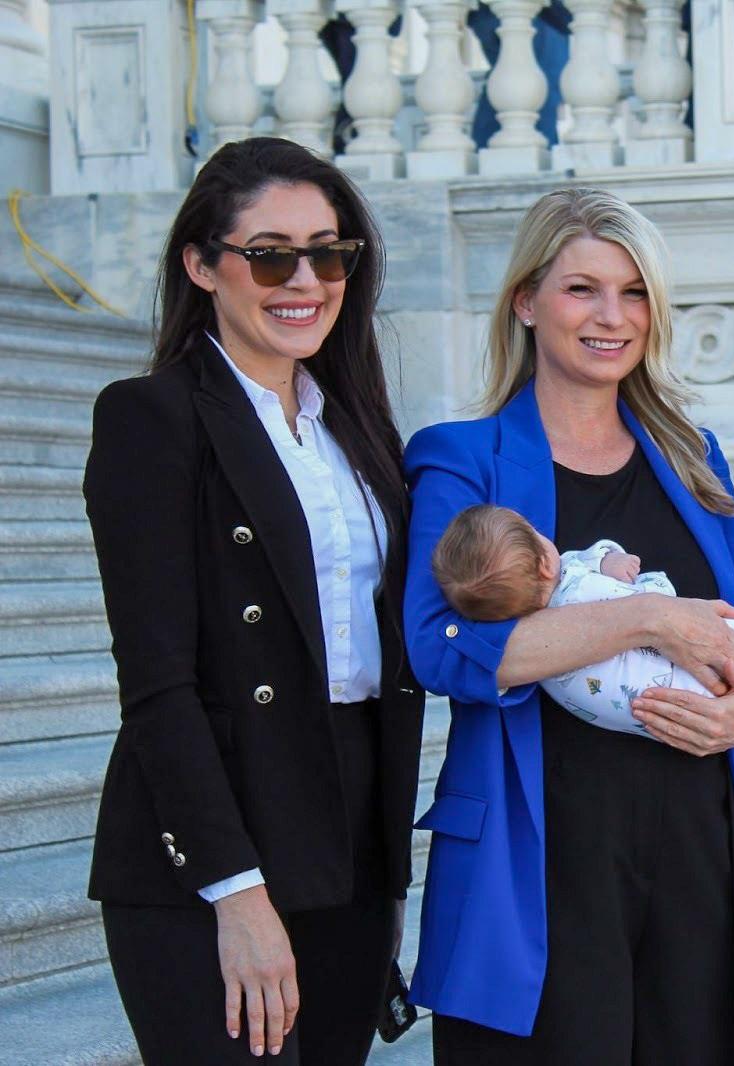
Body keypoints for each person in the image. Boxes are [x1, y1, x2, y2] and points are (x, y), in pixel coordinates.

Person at [403, 188, 734, 1065]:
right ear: (526, 301)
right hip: (540, 853)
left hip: (704, 846)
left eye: (633, 292)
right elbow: (441, 648)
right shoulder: (459, 457)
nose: (611, 317)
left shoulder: (691, 459)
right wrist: (648, 616)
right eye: (582, 289)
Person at [82, 137, 424, 1065]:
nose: (304, 278)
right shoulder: (151, 419)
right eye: (271, 253)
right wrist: (234, 892)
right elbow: (157, 682)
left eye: (330, 252)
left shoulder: (357, 428)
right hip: (213, 840)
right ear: (202, 265)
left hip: (352, 834)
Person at [429, 503, 734, 734]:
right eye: (534, 530)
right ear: (544, 562)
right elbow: (655, 601)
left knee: (712, 682)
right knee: (726, 630)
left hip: (641, 711)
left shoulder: (542, 629)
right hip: (660, 697)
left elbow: (595, 558)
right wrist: (654, 604)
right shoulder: (579, 591)